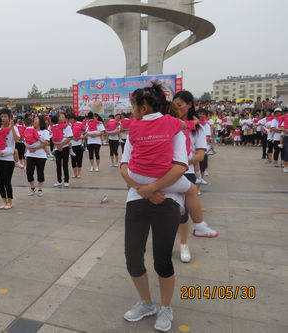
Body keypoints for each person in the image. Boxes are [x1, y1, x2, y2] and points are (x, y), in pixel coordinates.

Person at [120, 90, 188, 333]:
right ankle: (147, 303)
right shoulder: (135, 131)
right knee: (133, 257)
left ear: (145, 107)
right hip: (136, 199)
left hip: (166, 201)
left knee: (162, 259)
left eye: (134, 106)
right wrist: (143, 189)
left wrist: (154, 188)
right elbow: (124, 166)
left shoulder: (174, 130)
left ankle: (165, 307)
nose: (132, 111)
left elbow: (180, 166)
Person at [174, 91, 218, 264]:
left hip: (186, 171)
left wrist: (183, 163)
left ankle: (184, 244)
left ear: (190, 104)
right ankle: (166, 241)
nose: (177, 108)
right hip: (167, 171)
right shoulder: (169, 123)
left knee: (183, 211)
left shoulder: (197, 128)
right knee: (167, 210)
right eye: (174, 105)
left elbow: (200, 155)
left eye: (180, 105)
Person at [0, 108, 20, 209]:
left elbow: (17, 140)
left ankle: (10, 201)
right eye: (2, 116)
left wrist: (12, 127)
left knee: (7, 181)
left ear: (9, 118)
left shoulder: (14, 128)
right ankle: (4, 201)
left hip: (8, 158)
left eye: (5, 116)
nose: (3, 118)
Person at [25, 115, 50, 196]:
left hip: (41, 155)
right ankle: (32, 188)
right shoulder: (30, 130)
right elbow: (25, 140)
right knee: (29, 171)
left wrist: (35, 148)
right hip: (30, 154)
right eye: (34, 119)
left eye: (36, 119)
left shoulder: (45, 131)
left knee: (40, 172)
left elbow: (46, 142)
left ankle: (40, 189)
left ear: (40, 121)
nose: (34, 120)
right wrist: (29, 148)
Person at [50, 113, 73, 187]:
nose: (60, 118)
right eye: (60, 117)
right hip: (57, 148)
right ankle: (59, 181)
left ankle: (66, 180)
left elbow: (69, 138)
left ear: (66, 119)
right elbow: (53, 137)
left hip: (65, 147)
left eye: (62, 117)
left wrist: (61, 145)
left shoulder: (68, 127)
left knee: (65, 164)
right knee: (58, 165)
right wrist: (57, 145)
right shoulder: (56, 127)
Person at [69, 114, 85, 178]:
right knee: (73, 160)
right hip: (72, 145)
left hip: (79, 145)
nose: (70, 120)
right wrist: (73, 138)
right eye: (69, 119)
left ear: (75, 119)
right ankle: (74, 173)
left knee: (79, 159)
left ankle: (79, 173)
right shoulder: (68, 126)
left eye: (71, 119)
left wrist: (80, 137)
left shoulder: (79, 125)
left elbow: (86, 133)